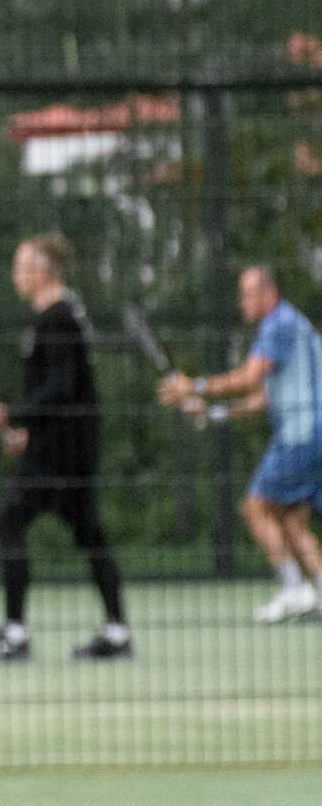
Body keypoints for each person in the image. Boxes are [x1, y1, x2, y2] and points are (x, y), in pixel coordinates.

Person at [0, 233, 132, 663]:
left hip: (59, 454)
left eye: (21, 266)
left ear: (41, 273)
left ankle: (15, 635)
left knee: (9, 522)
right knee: (89, 533)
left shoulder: (56, 319)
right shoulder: (66, 314)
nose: (14, 275)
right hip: (70, 446)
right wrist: (27, 432)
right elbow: (68, 392)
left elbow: (59, 390)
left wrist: (12, 417)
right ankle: (117, 632)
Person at [160, 265, 322, 624]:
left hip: (301, 433)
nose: (242, 301)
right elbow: (263, 398)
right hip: (315, 433)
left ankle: (295, 592)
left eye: (248, 293)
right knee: (293, 520)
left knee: (255, 508)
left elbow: (249, 380)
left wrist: (195, 386)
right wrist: (216, 414)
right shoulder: (291, 325)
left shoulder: (277, 324)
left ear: (269, 293)